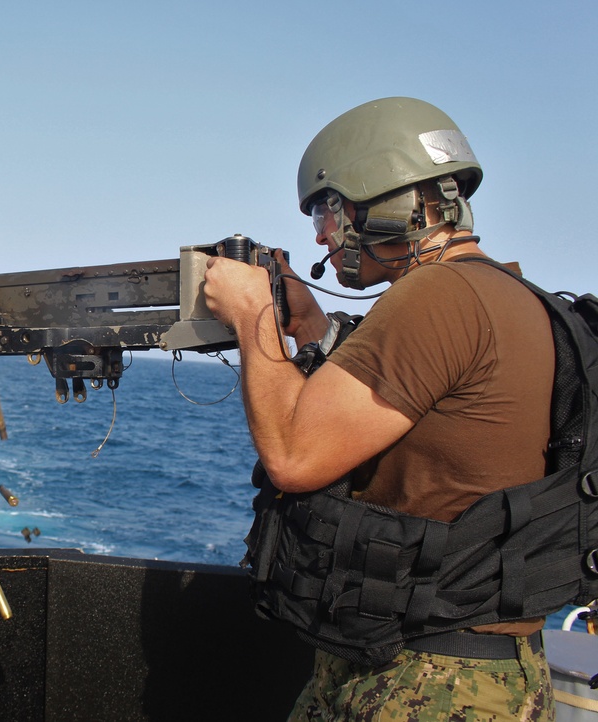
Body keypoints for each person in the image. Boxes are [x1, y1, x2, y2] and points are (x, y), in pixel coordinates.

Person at [203, 97, 557, 721]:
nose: (319, 235)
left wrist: (251, 312)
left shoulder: (437, 297)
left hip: (430, 680)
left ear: (386, 201)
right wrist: (308, 325)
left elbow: (293, 456)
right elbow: (395, 406)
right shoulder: (503, 291)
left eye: (327, 209)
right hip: (461, 660)